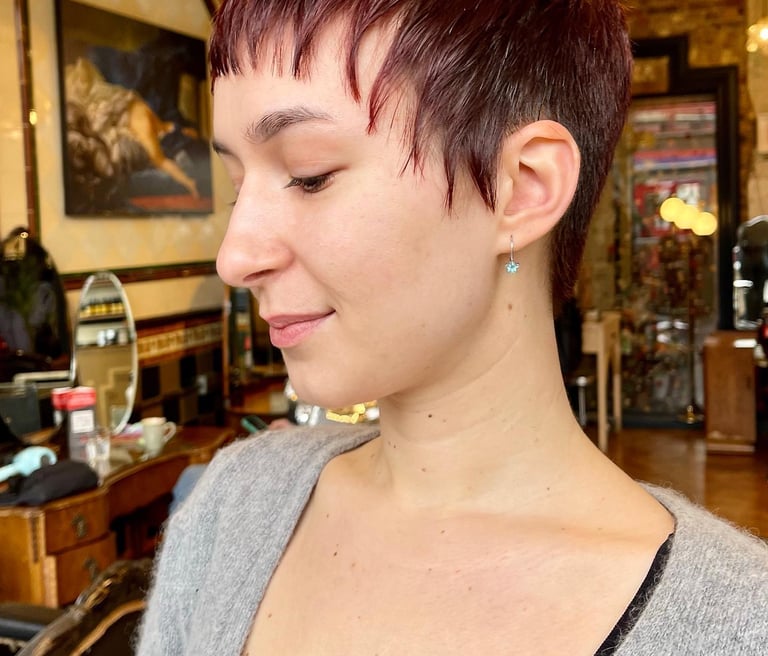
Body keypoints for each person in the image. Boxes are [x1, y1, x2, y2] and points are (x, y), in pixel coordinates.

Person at [137, 1, 768, 654]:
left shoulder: (738, 626)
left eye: (308, 175)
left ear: (521, 186)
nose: (234, 258)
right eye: (237, 184)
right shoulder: (233, 505)